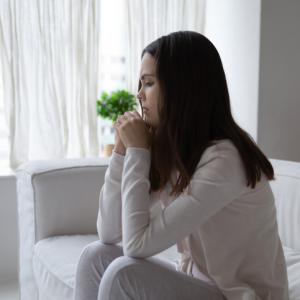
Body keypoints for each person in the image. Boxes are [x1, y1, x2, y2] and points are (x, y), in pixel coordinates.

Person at [73, 31, 289, 300]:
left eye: (148, 83)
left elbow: (136, 245)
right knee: (96, 255)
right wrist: (121, 153)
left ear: (183, 89)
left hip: (240, 297)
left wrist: (139, 151)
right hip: (201, 287)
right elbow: (109, 231)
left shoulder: (225, 159)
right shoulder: (178, 151)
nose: (139, 95)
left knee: (122, 273)